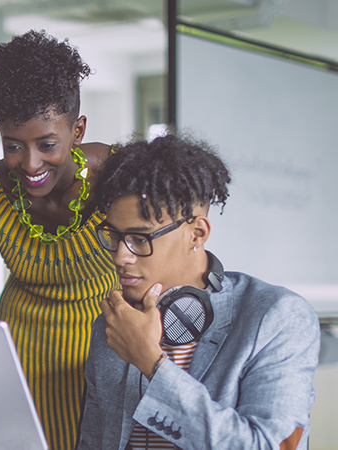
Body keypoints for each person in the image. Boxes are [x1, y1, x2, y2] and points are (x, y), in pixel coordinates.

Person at [77, 134, 320, 450]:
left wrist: (151, 361)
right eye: (114, 236)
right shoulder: (115, 326)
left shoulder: (278, 318)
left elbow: (267, 445)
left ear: (197, 234)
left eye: (140, 238)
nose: (120, 256)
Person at [0, 29, 117, 448]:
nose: (29, 163)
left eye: (47, 143)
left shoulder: (121, 177)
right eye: (12, 145)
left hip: (101, 366)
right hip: (16, 366)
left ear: (78, 129)